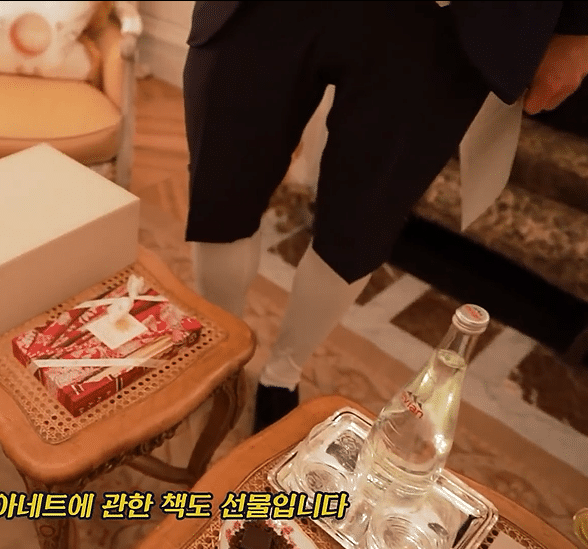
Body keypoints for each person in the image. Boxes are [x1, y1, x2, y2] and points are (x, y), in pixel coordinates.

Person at [182, 1, 588, 433]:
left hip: (443, 18)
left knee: (359, 230)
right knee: (220, 193)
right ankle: (222, 354)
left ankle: (283, 374)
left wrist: (578, 30)